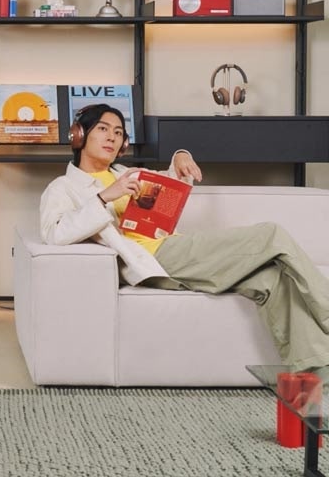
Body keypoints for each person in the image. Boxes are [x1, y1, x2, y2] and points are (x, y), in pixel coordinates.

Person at [40, 103, 329, 372]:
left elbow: (167, 184)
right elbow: (56, 233)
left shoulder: (129, 173)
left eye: (118, 133)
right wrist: (105, 197)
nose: (112, 138)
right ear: (79, 136)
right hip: (151, 257)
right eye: (103, 129)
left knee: (271, 280)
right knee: (271, 234)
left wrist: (180, 157)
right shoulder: (63, 187)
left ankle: (317, 373)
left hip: (171, 249)